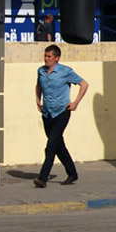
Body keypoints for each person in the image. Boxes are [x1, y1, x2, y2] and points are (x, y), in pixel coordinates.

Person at [34, 44, 88, 187]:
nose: (46, 59)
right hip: (47, 113)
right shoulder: (41, 71)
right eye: (45, 56)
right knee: (58, 145)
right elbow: (39, 85)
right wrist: (37, 100)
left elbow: (84, 84)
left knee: (51, 145)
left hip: (61, 112)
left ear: (57, 58)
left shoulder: (65, 72)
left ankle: (42, 178)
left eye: (49, 56)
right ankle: (72, 173)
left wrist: (76, 102)